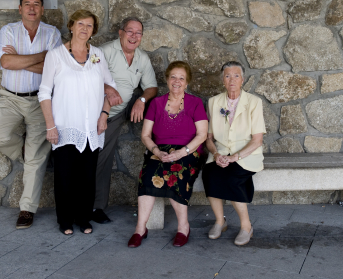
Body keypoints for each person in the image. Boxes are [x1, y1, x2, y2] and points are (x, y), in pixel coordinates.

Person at [0, 0, 61, 230]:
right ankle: (26, 154)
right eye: (27, 4)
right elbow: (6, 63)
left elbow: (55, 69)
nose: (31, 8)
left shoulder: (52, 33)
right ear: (20, 9)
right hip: (10, 98)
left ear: (42, 9)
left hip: (40, 101)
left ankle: (27, 209)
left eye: (36, 4)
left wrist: (20, 60)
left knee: (36, 160)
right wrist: (40, 58)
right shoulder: (8, 31)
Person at [38, 10, 117, 236]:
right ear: (71, 26)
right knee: (64, 177)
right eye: (80, 23)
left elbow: (109, 88)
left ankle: (83, 218)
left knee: (87, 178)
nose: (84, 28)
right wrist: (50, 126)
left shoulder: (98, 55)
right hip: (64, 126)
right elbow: (44, 92)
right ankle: (65, 220)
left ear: (93, 31)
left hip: (92, 128)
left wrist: (104, 115)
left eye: (89, 25)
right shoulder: (56, 55)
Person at [128, 61, 208, 248]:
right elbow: (146, 135)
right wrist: (156, 150)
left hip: (189, 150)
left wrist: (183, 151)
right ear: (167, 80)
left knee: (175, 173)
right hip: (160, 150)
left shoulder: (195, 103)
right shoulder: (156, 103)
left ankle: (183, 227)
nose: (177, 81)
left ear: (187, 82)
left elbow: (202, 135)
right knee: (148, 175)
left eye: (181, 78)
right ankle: (140, 228)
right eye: (173, 77)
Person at [92, 17, 158, 225]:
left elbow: (152, 87)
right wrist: (108, 90)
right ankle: (88, 206)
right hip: (96, 112)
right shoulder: (104, 52)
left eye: (138, 33)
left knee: (104, 158)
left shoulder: (141, 58)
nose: (133, 36)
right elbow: (88, 77)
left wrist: (141, 99)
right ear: (120, 33)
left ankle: (97, 206)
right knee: (96, 159)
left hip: (120, 111)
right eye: (130, 31)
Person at [203, 61, 266, 246]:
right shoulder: (214, 102)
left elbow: (257, 140)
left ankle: (246, 226)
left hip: (247, 154)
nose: (232, 79)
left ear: (243, 79)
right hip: (221, 152)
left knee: (232, 177)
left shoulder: (254, 102)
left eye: (236, 75)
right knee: (210, 174)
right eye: (228, 76)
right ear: (223, 80)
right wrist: (215, 154)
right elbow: (208, 138)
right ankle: (220, 221)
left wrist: (234, 157)